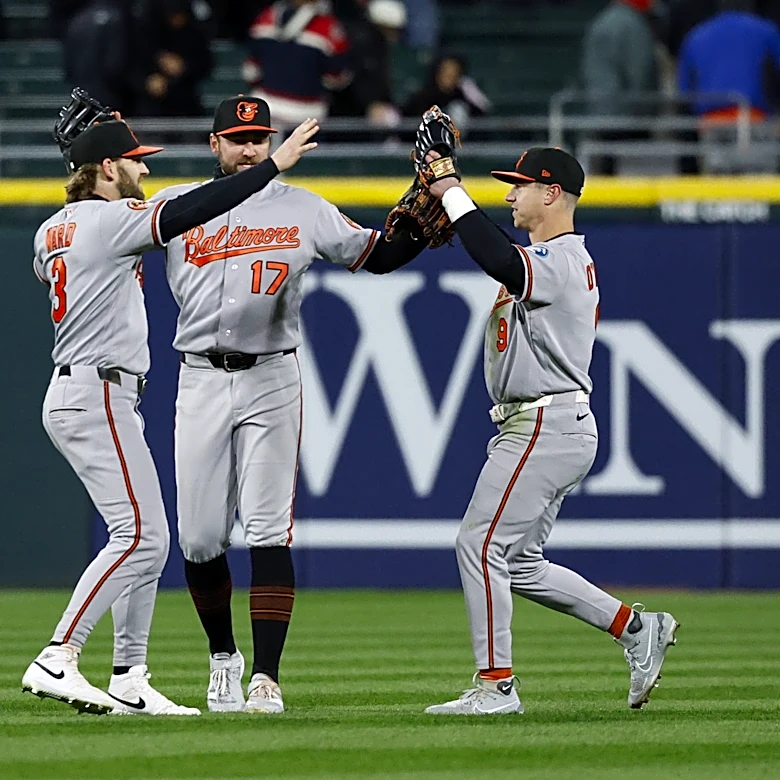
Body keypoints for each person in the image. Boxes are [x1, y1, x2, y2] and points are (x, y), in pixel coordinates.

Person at [22, 106, 320, 716]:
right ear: (107, 167)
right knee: (141, 535)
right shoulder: (112, 220)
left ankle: (129, 675)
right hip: (98, 391)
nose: (141, 171)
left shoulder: (50, 228)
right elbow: (188, 211)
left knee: (147, 538)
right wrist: (276, 167)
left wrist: (85, 166)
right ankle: (59, 654)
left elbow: (85, 243)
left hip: (83, 388)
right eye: (132, 162)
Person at [153, 95, 430, 714]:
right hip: (198, 377)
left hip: (271, 377)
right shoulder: (179, 203)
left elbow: (377, 255)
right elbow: (117, 237)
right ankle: (223, 656)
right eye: (238, 138)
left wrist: (422, 217)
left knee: (269, 529)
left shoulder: (304, 210)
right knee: (197, 538)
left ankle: (266, 677)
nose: (250, 147)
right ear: (214, 144)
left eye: (259, 137)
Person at [421, 146, 679, 715]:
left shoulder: (560, 257)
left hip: (545, 421)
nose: (511, 194)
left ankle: (496, 686)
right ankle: (636, 628)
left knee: (479, 543)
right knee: (517, 562)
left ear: (551, 193)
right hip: (548, 423)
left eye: (520, 185)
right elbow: (502, 258)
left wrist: (452, 192)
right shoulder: (554, 256)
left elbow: (503, 263)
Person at [581, 0, 661, 175]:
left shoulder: (602, 20)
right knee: (630, 184)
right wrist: (649, 113)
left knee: (605, 177)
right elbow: (640, 76)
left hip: (600, 115)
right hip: (628, 119)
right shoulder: (633, 25)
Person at [243, 0, 352, 126]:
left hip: (265, 108)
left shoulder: (266, 17)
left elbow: (250, 71)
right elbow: (337, 78)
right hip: (307, 113)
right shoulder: (328, 26)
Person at [135, 0, 214, 118]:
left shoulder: (193, 31)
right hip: (150, 108)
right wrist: (145, 81)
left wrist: (184, 66)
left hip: (185, 105)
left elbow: (205, 63)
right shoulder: (144, 30)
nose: (177, 21)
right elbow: (125, 66)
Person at [402, 55, 491, 134]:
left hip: (459, 147)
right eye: (445, 72)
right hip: (427, 147)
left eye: (454, 73)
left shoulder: (463, 96)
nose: (449, 76)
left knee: (458, 109)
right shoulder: (422, 97)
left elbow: (482, 114)